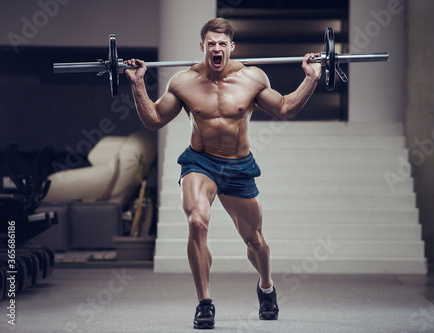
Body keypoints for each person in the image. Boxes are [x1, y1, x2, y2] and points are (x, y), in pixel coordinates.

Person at [125, 18, 321, 330]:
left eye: (222, 43)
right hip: (200, 163)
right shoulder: (183, 81)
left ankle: (266, 287)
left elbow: (284, 107)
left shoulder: (252, 78)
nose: (217, 49)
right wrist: (137, 84)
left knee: (254, 240)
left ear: (231, 47)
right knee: (197, 222)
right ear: (202, 47)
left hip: (239, 166)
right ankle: (204, 303)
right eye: (211, 44)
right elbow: (154, 120)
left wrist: (310, 78)